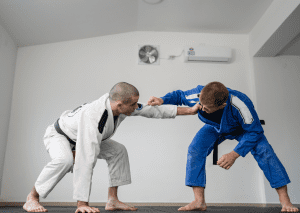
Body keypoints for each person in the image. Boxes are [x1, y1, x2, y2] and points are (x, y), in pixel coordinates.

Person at [23, 82, 201, 213]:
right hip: (61, 135)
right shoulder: (94, 117)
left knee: (118, 151)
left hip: (79, 136)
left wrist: (190, 111)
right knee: (65, 160)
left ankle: (112, 200)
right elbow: (86, 160)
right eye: (132, 104)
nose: (135, 107)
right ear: (119, 105)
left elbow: (152, 110)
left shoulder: (121, 106)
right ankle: (32, 198)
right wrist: (82, 204)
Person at [147, 81, 299, 212]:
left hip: (242, 129)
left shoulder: (240, 104)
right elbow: (179, 96)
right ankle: (199, 201)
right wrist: (162, 99)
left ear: (223, 105)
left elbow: (255, 131)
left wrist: (234, 154)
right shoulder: (199, 96)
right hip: (215, 127)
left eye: (207, 108)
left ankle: (285, 200)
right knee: (195, 149)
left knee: (264, 151)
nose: (202, 108)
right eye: (201, 105)